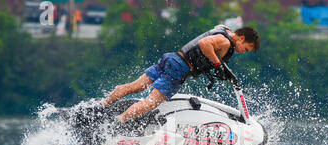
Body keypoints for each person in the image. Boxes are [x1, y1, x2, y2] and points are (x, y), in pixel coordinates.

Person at [102, 25, 260, 124]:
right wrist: (218, 63)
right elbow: (204, 43)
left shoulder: (224, 29)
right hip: (179, 68)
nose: (242, 52)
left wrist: (220, 65)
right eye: (245, 48)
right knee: (151, 102)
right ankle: (118, 122)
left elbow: (212, 37)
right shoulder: (225, 42)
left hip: (172, 58)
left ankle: (102, 105)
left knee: (135, 87)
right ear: (241, 38)